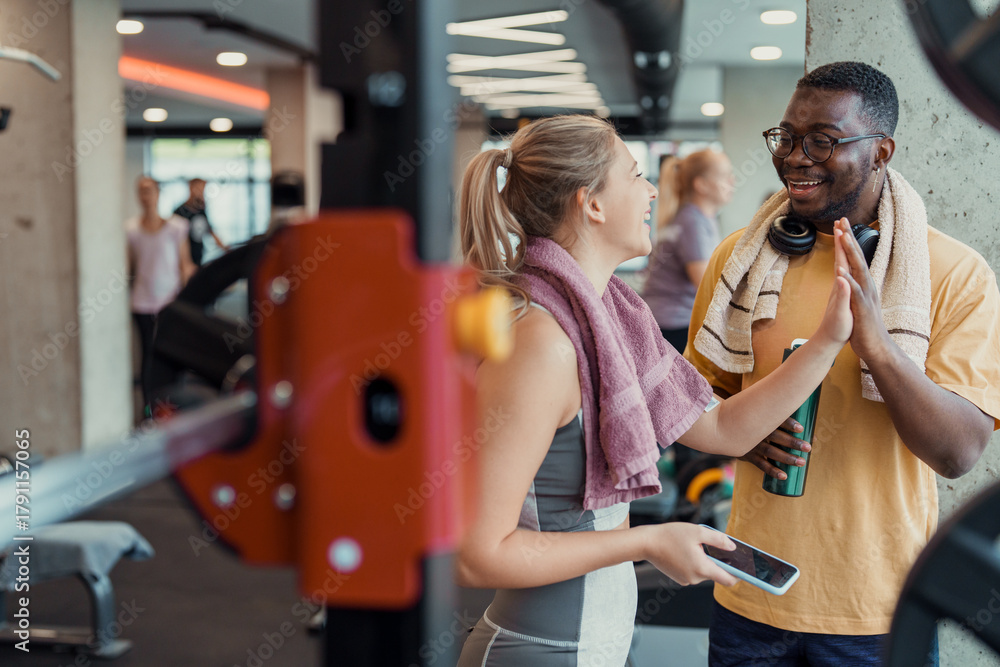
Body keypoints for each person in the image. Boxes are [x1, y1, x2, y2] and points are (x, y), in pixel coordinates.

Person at [454, 115, 857, 665]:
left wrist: (831, 339)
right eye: (636, 174)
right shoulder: (541, 344)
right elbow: (479, 556)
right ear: (591, 203)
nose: (650, 190)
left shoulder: (614, 317)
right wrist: (648, 542)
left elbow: (720, 428)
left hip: (594, 645)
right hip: (540, 651)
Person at [684, 62, 1000, 665]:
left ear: (881, 150)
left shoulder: (956, 274)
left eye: (823, 140)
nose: (797, 157)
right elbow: (688, 404)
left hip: (876, 610)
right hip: (751, 592)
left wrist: (876, 344)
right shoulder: (740, 260)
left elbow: (959, 453)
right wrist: (741, 433)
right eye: (787, 138)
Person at [643, 150, 734, 353]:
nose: (732, 181)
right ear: (701, 185)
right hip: (674, 327)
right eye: (724, 176)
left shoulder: (693, 218)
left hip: (664, 322)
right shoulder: (693, 222)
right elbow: (707, 285)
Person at [127, 176, 196, 413]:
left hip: (170, 302)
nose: (145, 196)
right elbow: (130, 267)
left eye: (149, 190)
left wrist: (190, 294)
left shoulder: (177, 227)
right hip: (143, 303)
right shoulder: (131, 230)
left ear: (157, 193)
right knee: (149, 356)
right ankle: (150, 410)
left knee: (172, 356)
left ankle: (174, 408)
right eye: (140, 191)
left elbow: (184, 263)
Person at [173, 177, 228, 267]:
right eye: (199, 189)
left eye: (203, 189)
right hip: (183, 263)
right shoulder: (180, 212)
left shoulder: (201, 210)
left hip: (198, 258)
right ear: (191, 188)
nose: (201, 192)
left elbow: (210, 230)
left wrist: (225, 248)